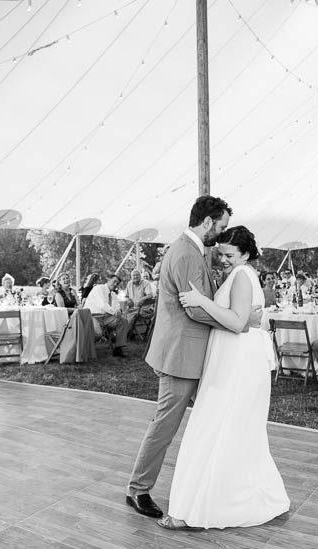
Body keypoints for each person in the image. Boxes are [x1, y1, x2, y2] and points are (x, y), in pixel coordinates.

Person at [127, 195, 257, 522]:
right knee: (165, 424)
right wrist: (238, 322)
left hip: (193, 354)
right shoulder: (186, 253)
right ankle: (138, 489)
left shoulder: (192, 250)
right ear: (208, 222)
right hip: (181, 355)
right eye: (222, 226)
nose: (222, 234)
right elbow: (195, 307)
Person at [154, 225, 289, 530]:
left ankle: (200, 509)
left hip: (238, 362)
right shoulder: (239, 274)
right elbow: (244, 318)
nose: (223, 259)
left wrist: (202, 301)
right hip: (231, 358)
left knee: (218, 424)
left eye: (229, 254)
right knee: (225, 426)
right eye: (221, 253)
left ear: (245, 254)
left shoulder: (243, 275)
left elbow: (239, 322)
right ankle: (217, 500)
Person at [84, 273, 130, 357]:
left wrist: (118, 311)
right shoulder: (99, 288)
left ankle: (118, 348)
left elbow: (117, 307)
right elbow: (103, 304)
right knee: (98, 334)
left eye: (117, 283)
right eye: (114, 281)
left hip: (106, 317)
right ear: (108, 280)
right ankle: (84, 347)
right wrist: (115, 312)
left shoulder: (113, 294)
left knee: (123, 320)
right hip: (93, 316)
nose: (116, 284)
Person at [124, 268, 155, 335]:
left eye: (137, 275)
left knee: (131, 316)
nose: (135, 277)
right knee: (123, 315)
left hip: (144, 309)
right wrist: (128, 299)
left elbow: (150, 295)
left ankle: (123, 335)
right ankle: (127, 333)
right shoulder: (129, 284)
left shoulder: (146, 283)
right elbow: (126, 296)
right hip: (132, 308)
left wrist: (142, 299)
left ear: (140, 276)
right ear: (131, 277)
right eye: (133, 275)